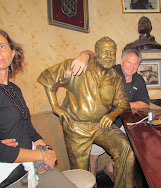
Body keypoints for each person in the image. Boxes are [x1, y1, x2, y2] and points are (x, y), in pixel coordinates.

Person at [37, 37, 135, 188]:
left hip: (101, 126)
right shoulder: (79, 66)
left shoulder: (115, 77)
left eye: (112, 52)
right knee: (80, 174)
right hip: (77, 127)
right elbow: (48, 78)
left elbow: (123, 104)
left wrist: (112, 115)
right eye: (104, 52)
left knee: (125, 148)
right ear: (96, 53)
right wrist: (55, 107)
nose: (109, 55)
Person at [0, 30, 76, 188]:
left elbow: (29, 129)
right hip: (10, 174)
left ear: (12, 53)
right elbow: (2, 151)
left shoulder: (14, 89)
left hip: (31, 165)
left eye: (2, 46)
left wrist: (46, 149)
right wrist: (41, 155)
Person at [71, 47, 150, 181]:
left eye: (135, 63)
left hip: (122, 122)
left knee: (131, 150)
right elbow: (94, 57)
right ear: (121, 60)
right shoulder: (110, 71)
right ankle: (93, 183)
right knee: (94, 155)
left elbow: (145, 103)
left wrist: (126, 105)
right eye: (129, 62)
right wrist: (84, 55)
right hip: (101, 121)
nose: (132, 67)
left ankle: (109, 168)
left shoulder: (138, 80)